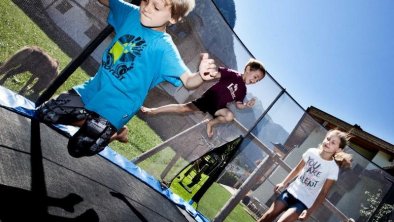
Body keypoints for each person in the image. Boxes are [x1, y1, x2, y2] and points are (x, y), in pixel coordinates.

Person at [36, 0, 217, 158]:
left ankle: (116, 132)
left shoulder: (164, 47)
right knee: (44, 113)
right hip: (93, 89)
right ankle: (93, 122)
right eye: (146, 1)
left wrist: (201, 76)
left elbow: (188, 81)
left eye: (156, 7)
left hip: (116, 108)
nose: (146, 8)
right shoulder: (132, 14)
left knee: (76, 149)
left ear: (174, 18)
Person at [141, 58, 266, 138]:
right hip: (209, 98)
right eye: (255, 77)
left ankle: (210, 123)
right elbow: (217, 74)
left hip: (219, 106)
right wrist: (209, 73)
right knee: (183, 109)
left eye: (257, 80)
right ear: (248, 69)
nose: (255, 81)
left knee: (229, 116)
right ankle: (153, 110)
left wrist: (246, 105)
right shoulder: (233, 75)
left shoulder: (243, 90)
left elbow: (239, 105)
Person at [257, 129, 353, 222]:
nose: (328, 142)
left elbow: (323, 193)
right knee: (267, 217)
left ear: (339, 149)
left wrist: (309, 211)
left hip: (302, 203)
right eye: (328, 139)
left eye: (333, 143)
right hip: (290, 192)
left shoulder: (333, 168)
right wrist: (283, 183)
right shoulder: (311, 152)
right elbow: (297, 169)